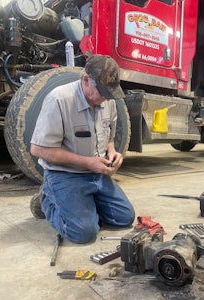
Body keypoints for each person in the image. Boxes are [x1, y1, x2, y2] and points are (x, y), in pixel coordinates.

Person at [29, 54, 135, 244]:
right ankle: (46, 201)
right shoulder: (59, 100)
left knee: (124, 218)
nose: (105, 98)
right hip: (66, 175)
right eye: (102, 92)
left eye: (109, 93)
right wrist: (87, 162)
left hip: (97, 175)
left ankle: (83, 206)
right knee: (83, 233)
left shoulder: (108, 100)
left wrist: (112, 152)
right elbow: (38, 149)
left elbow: (109, 137)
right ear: (86, 80)